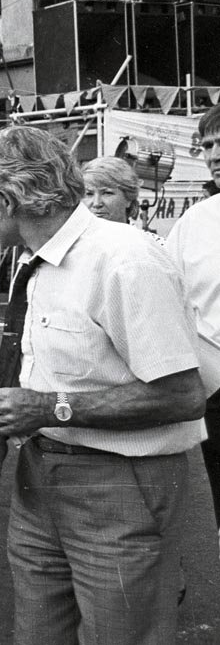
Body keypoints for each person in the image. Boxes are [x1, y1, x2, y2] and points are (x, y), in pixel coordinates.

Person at [0, 125, 205, 644]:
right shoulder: (33, 262)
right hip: (39, 478)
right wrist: (5, 429)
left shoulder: (126, 259)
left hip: (121, 484)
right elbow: (44, 372)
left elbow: (184, 395)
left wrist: (49, 409)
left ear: (6, 197)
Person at [163, 105, 220, 551]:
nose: (214, 153)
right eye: (207, 145)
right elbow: (171, 296)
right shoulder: (194, 222)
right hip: (215, 384)